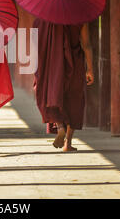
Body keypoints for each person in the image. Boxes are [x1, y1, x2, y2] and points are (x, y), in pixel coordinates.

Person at [33, 18, 94, 152]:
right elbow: (87, 44)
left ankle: (60, 127)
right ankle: (68, 143)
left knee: (54, 94)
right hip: (75, 61)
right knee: (74, 100)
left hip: (53, 63)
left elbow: (37, 44)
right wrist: (90, 69)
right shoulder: (80, 15)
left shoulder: (45, 18)